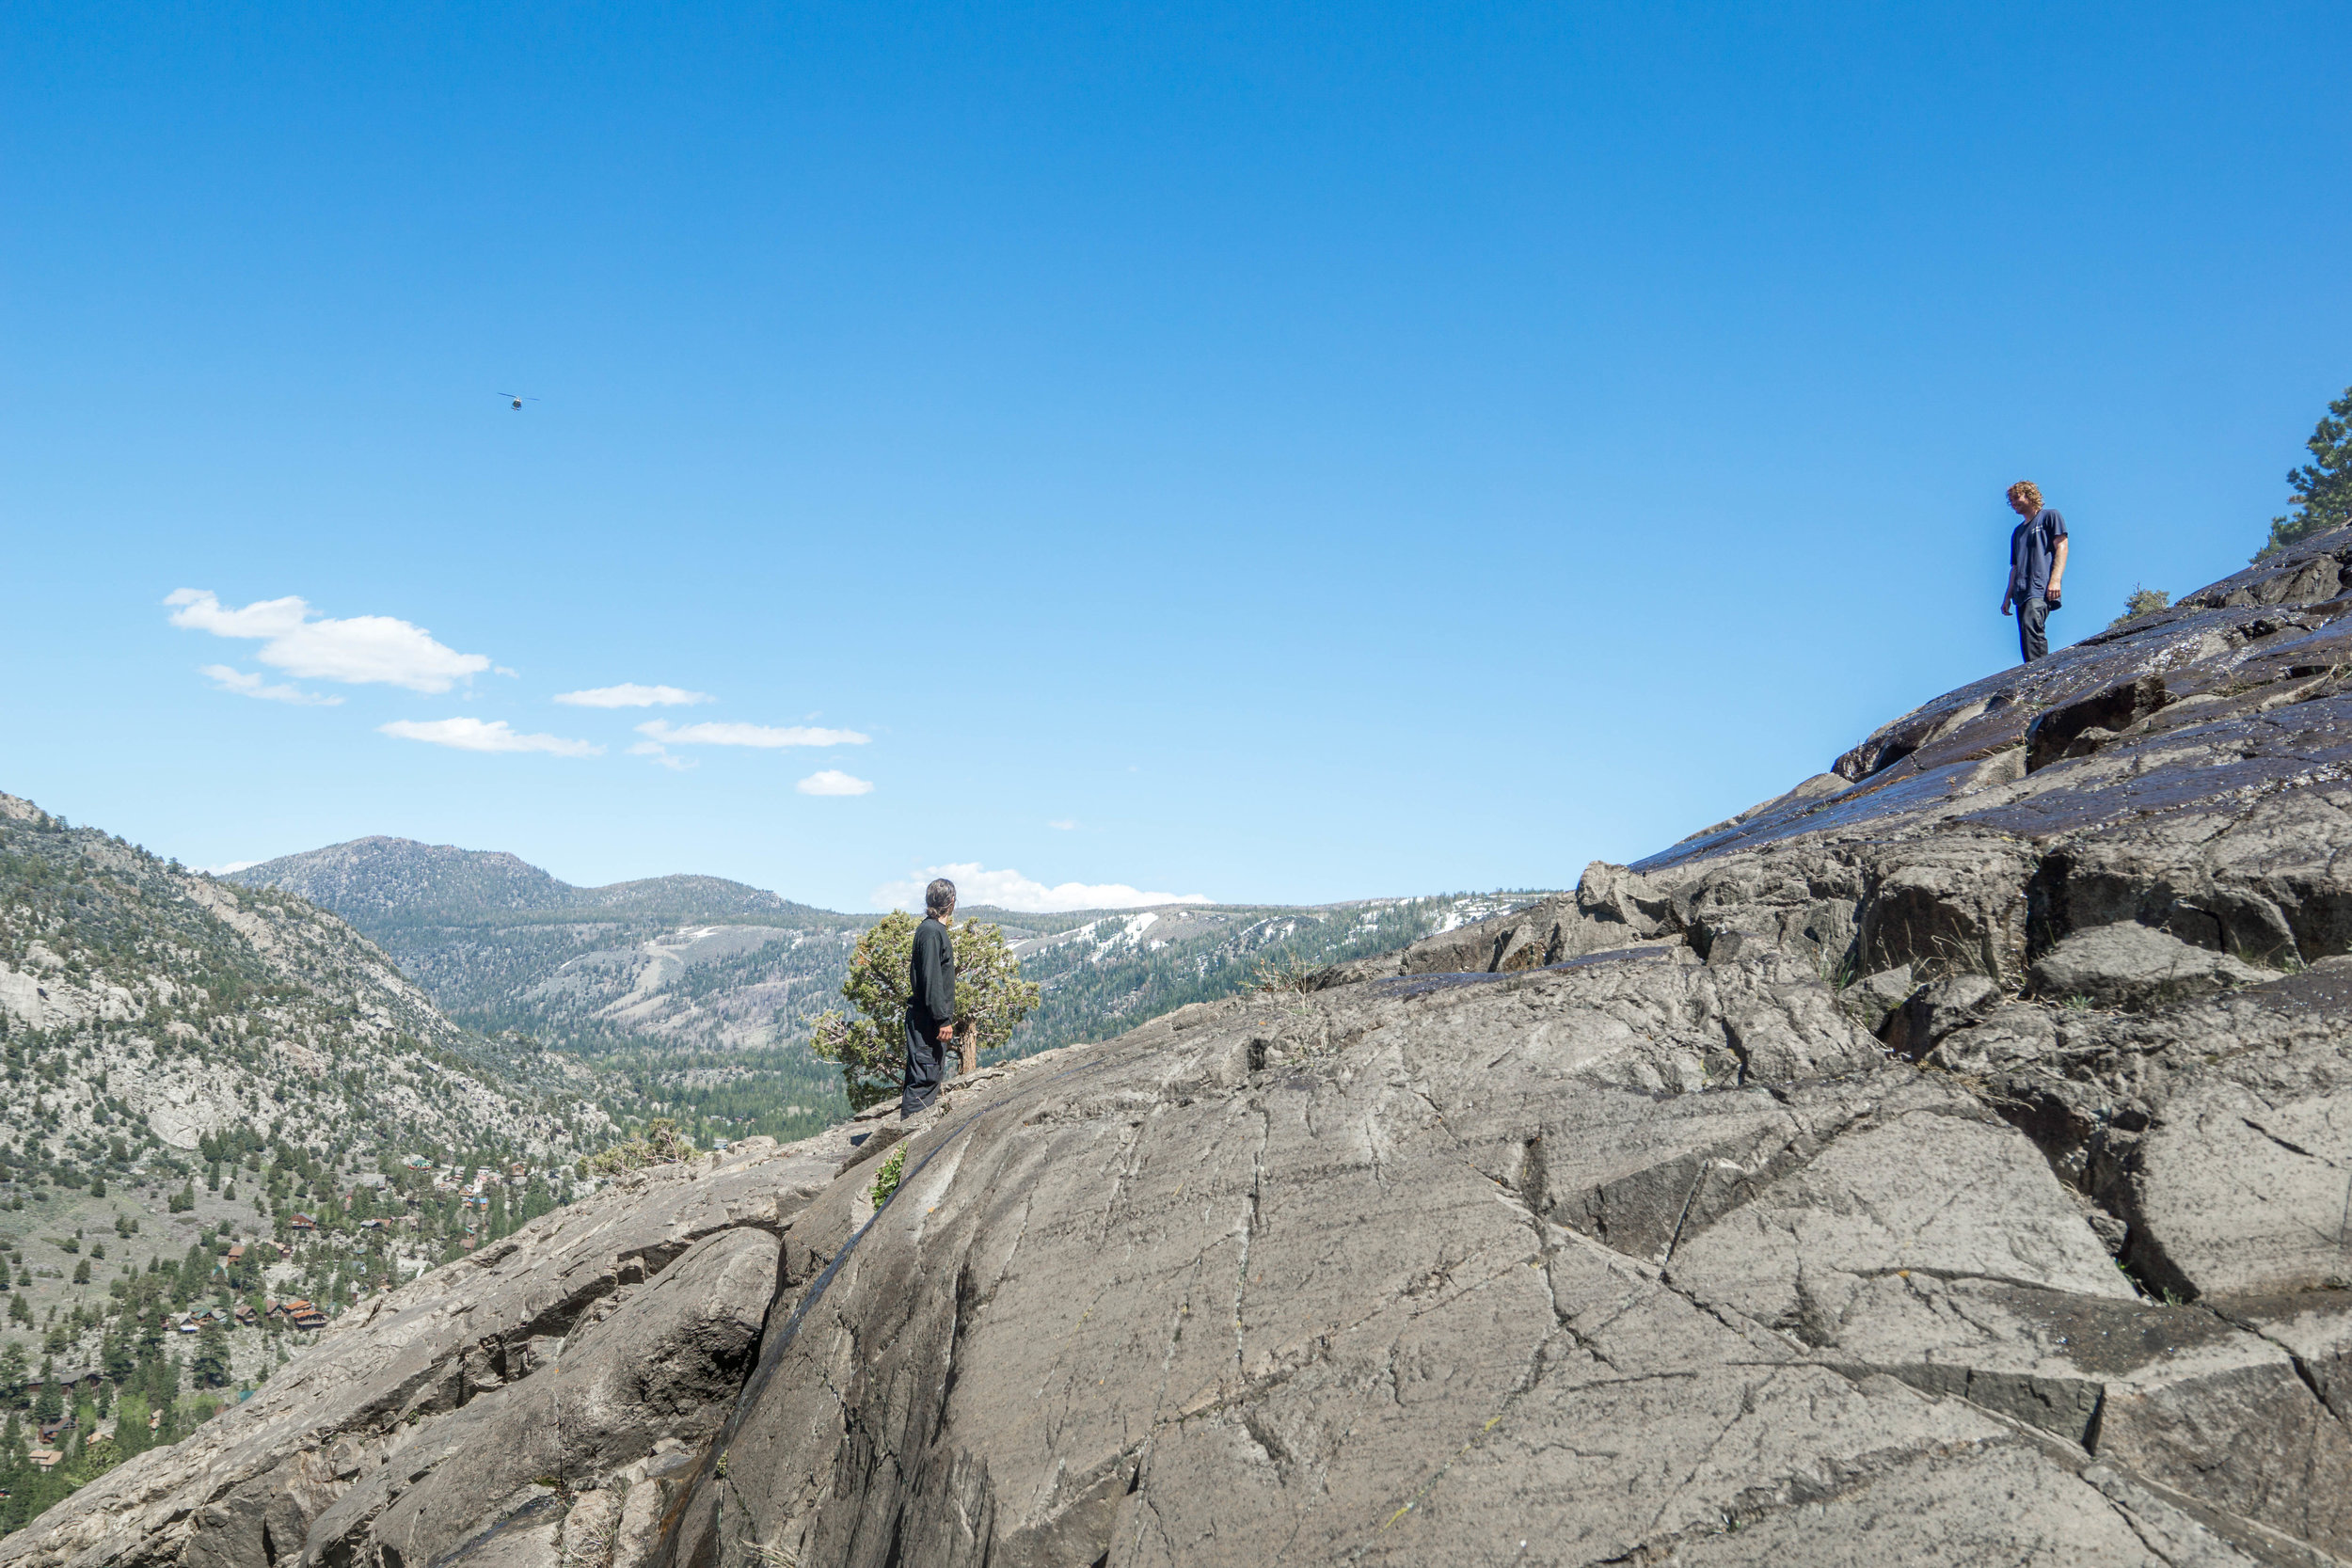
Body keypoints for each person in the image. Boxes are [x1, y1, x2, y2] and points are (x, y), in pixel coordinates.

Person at [902, 878, 957, 1117]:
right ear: (952, 902)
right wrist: (942, 1019)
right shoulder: (933, 933)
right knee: (925, 1078)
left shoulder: (930, 930)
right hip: (928, 1022)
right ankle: (910, 1143)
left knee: (925, 1074)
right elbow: (932, 979)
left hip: (926, 1019)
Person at [2000, 481, 2069, 664]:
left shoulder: (2050, 516)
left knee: (2032, 623)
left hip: (2041, 586)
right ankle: (2032, 670)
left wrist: (2055, 580)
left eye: (2017, 497)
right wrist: (2007, 596)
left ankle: (2041, 673)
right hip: (2021, 591)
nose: (2014, 503)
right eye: (2011, 500)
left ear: (2030, 495)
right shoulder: (2017, 532)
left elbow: (2062, 546)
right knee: (2025, 633)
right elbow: (2014, 567)